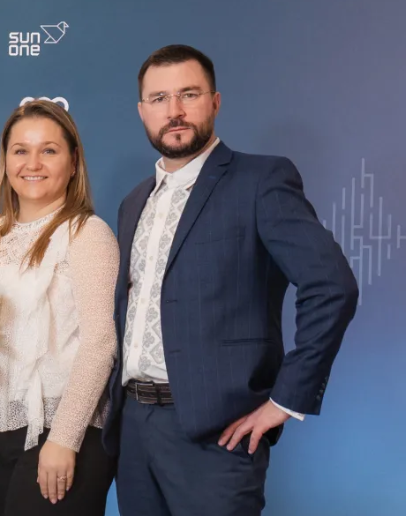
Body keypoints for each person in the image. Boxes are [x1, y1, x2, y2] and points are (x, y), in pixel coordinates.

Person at [103, 44, 360, 516]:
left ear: (215, 102)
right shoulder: (133, 202)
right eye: (159, 98)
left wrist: (286, 400)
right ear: (142, 111)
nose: (174, 111)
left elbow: (332, 287)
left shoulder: (260, 181)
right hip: (134, 429)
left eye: (189, 94)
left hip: (217, 435)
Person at [0, 100, 118, 516]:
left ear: (73, 163)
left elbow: (100, 343)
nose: (32, 163)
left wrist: (64, 439)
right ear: (6, 161)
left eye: (49, 150)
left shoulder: (87, 233)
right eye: (20, 150)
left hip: (59, 434)